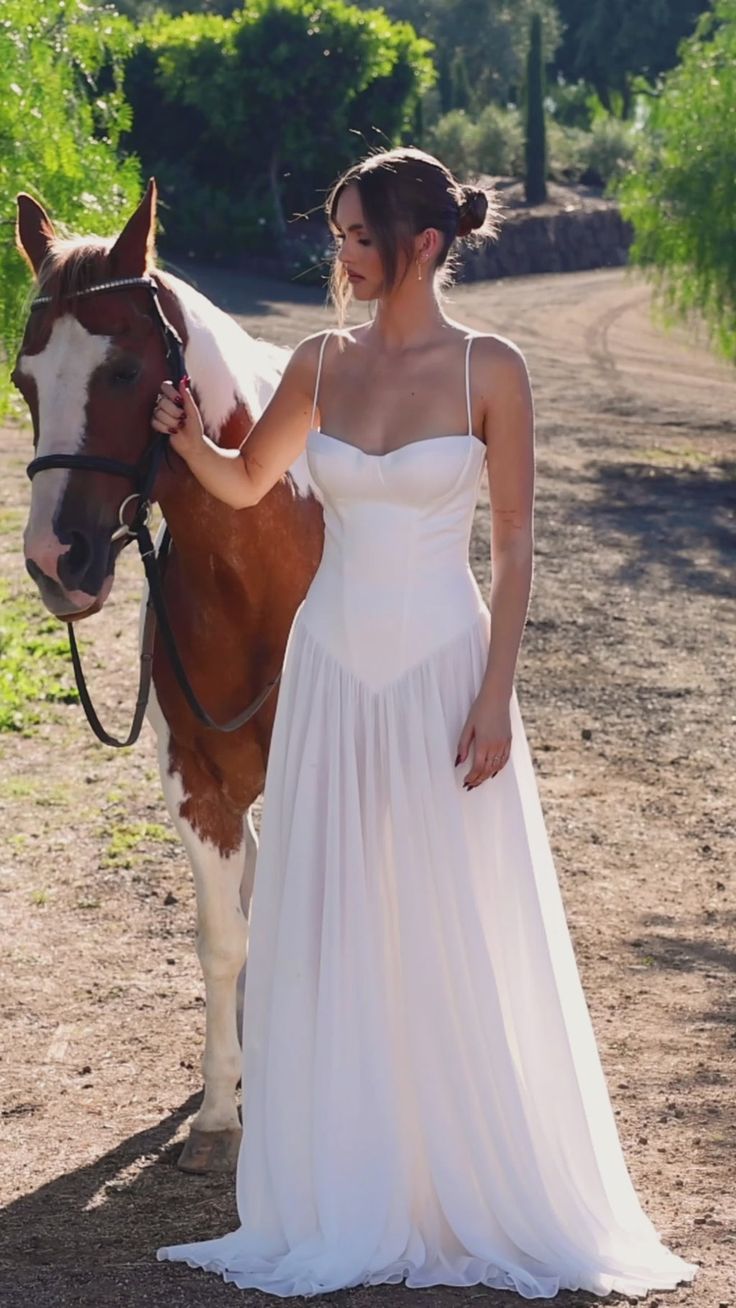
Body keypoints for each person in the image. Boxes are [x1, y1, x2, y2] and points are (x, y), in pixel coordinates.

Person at [154, 147, 699, 1299]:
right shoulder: (319, 361)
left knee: (454, 914)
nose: (339, 255)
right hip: (335, 674)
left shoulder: (489, 369)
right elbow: (250, 485)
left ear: (425, 247)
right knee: (340, 911)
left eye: (356, 236)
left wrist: (494, 696)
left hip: (446, 673)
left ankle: (463, 1174)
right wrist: (184, 439)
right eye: (337, 233)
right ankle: (349, 1178)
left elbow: (510, 553)